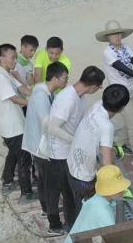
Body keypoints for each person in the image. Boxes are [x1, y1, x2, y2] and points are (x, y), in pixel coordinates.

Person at [44, 66, 105, 229]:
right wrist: (75, 140)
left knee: (72, 193)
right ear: (92, 86)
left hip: (70, 150)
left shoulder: (81, 96)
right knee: (69, 195)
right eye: (99, 87)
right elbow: (53, 127)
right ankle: (73, 228)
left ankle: (76, 224)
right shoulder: (67, 99)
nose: (97, 90)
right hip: (60, 154)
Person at [22, 62, 69, 234]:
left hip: (38, 144)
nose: (66, 81)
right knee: (51, 186)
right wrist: (69, 137)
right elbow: (48, 124)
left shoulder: (45, 91)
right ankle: (54, 224)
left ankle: (45, 209)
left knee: (43, 181)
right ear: (55, 78)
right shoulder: (41, 96)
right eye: (64, 78)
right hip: (42, 146)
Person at [68, 84, 130, 210]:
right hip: (84, 177)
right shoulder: (107, 126)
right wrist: (118, 186)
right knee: (86, 211)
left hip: (72, 162)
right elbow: (107, 164)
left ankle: (71, 226)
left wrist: (111, 149)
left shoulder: (97, 105)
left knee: (72, 204)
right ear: (122, 108)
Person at [97, 20, 133, 169]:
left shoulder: (127, 47)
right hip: (120, 93)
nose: (117, 37)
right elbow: (122, 68)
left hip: (132, 89)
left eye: (118, 33)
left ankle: (119, 143)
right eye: (113, 34)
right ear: (108, 37)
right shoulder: (108, 52)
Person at [0, 43, 34, 202]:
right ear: (2, 58)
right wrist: (34, 103)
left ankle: (7, 181)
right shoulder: (0, 78)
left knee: (13, 155)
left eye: (16, 57)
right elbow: (15, 99)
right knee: (24, 159)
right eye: (12, 57)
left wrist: (39, 94)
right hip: (13, 127)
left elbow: (23, 89)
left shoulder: (7, 75)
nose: (15, 61)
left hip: (12, 125)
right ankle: (27, 193)